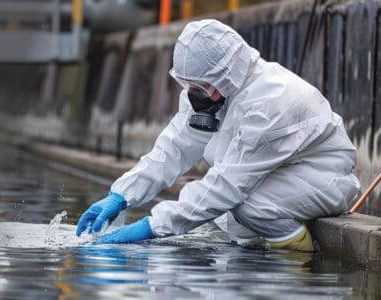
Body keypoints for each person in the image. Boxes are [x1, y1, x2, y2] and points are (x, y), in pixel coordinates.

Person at [75, 19, 361, 251]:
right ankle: (263, 253)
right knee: (229, 216)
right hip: (276, 174)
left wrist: (151, 226)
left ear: (228, 74)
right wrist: (122, 194)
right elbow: (175, 147)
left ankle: (298, 260)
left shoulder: (273, 101)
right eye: (191, 87)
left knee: (248, 206)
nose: (198, 95)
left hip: (323, 176)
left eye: (204, 86)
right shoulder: (210, 92)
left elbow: (227, 185)